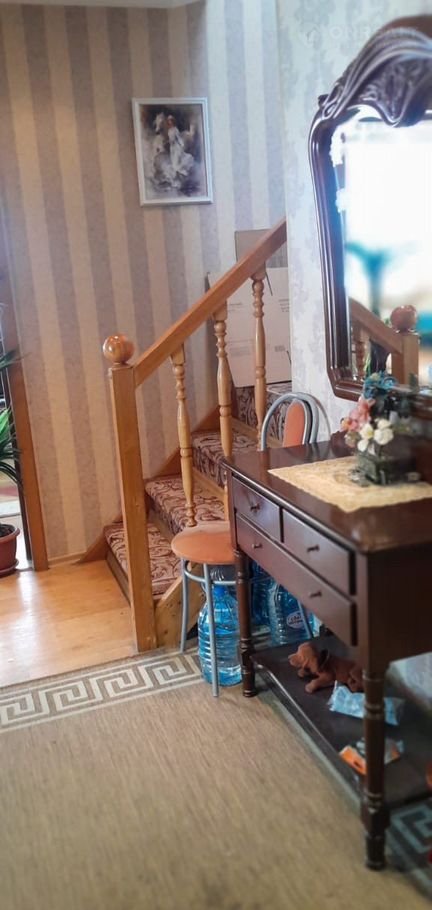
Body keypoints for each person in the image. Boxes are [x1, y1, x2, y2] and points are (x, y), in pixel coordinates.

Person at [166, 115, 194, 187]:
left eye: (171, 121)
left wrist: (182, 144)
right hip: (172, 148)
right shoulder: (169, 130)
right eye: (169, 121)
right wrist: (168, 142)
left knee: (176, 164)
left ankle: (185, 174)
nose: (170, 122)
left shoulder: (175, 129)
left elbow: (178, 138)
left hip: (176, 148)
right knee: (173, 164)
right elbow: (170, 139)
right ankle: (177, 182)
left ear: (173, 121)